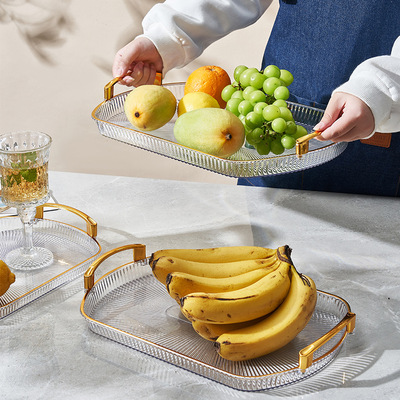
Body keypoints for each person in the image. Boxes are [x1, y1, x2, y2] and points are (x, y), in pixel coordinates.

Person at [112, 0, 400, 197]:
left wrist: (379, 89)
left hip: (377, 134)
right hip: (270, 131)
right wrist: (166, 37)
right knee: (262, 259)